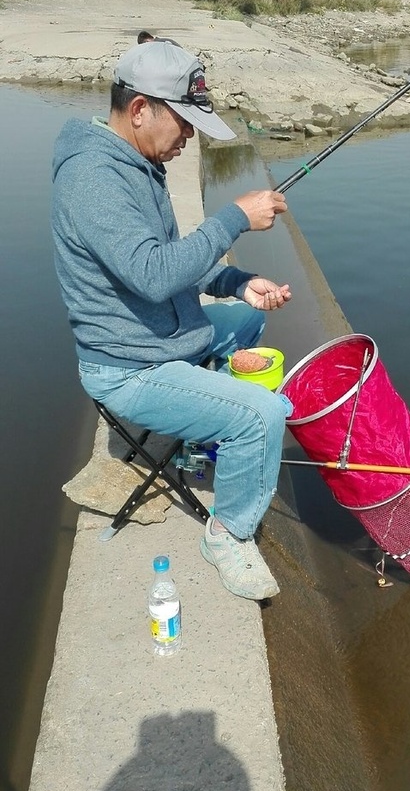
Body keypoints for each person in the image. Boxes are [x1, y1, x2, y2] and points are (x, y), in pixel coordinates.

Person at [52, 39, 292, 601]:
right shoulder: (94, 178)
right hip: (129, 366)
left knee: (247, 323)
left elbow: (168, 256)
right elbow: (155, 275)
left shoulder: (138, 162)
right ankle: (228, 533)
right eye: (183, 124)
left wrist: (236, 282)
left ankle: (201, 430)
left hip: (165, 333)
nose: (190, 137)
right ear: (140, 110)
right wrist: (235, 218)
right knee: (260, 416)